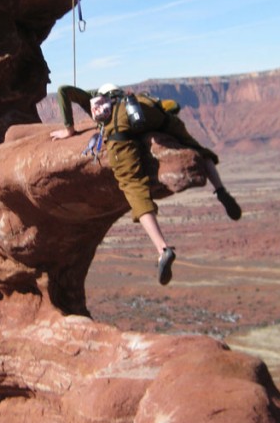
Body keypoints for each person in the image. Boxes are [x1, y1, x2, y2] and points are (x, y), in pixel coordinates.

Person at [50, 83, 242, 285]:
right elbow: (173, 105)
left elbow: (63, 90)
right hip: (150, 115)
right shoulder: (139, 98)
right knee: (198, 149)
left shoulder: (95, 97)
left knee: (132, 186)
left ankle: (162, 249)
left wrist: (69, 129)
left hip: (119, 126)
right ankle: (221, 191)